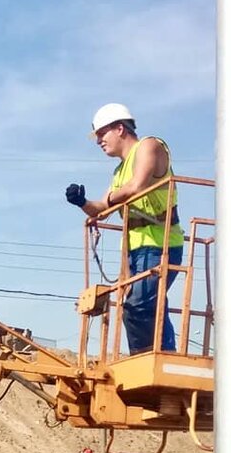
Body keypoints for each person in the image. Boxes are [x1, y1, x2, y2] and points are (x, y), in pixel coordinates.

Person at [65, 102, 185, 355]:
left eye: (101, 134)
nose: (99, 141)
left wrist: (107, 202)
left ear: (120, 128)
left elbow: (137, 186)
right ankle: (142, 359)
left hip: (160, 243)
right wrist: (82, 202)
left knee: (142, 303)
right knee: (132, 306)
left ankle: (163, 358)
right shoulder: (119, 171)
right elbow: (100, 207)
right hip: (134, 249)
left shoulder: (150, 146)